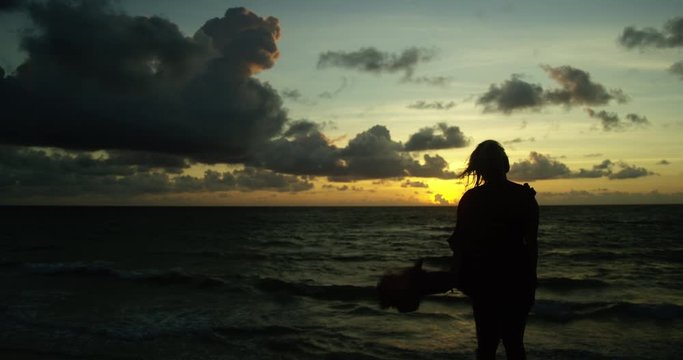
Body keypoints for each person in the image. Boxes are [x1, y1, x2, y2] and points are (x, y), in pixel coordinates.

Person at [448, 140, 539, 360]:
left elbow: (460, 243)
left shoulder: (471, 199)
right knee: (514, 343)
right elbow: (532, 244)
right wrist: (531, 280)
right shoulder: (525, 197)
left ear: (479, 169)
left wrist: (456, 276)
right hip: (517, 278)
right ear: (506, 165)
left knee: (487, 345)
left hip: (484, 280)